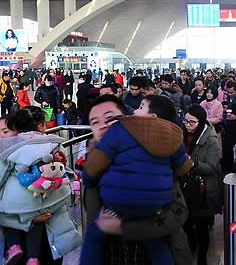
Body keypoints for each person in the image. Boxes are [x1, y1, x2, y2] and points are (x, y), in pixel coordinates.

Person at [81, 95, 192, 265]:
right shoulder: (95, 162)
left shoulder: (158, 158)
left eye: (110, 118)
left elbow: (177, 214)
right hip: (111, 257)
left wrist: (125, 228)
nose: (102, 126)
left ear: (126, 119)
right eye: (95, 122)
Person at [0, 107, 81, 265]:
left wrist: (60, 165)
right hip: (17, 239)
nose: (2, 137)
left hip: (52, 236)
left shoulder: (32, 151)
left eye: (5, 131)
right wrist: (25, 220)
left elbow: (66, 187)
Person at [181, 104, 222, 265]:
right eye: (186, 121)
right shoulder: (181, 133)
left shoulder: (210, 139)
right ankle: (191, 248)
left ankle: (202, 257)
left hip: (201, 189)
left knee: (201, 225)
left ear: (201, 121)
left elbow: (212, 167)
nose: (188, 125)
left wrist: (191, 162)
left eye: (192, 122)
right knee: (186, 222)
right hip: (184, 186)